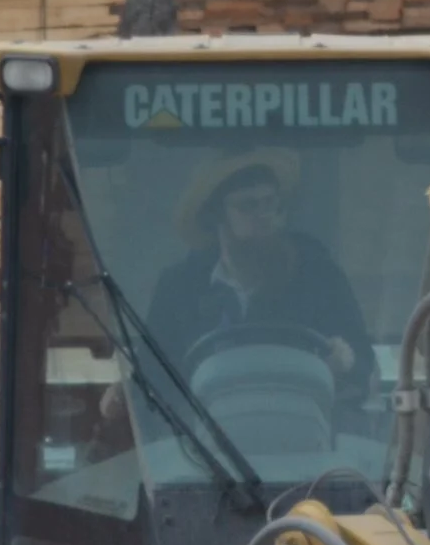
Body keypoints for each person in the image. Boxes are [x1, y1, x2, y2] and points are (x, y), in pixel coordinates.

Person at [146, 149, 374, 399]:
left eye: (271, 203)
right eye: (249, 205)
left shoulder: (320, 278)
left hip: (303, 427)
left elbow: (364, 365)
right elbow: (153, 378)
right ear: (216, 214)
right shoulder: (178, 288)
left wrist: (344, 360)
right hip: (202, 433)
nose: (265, 216)